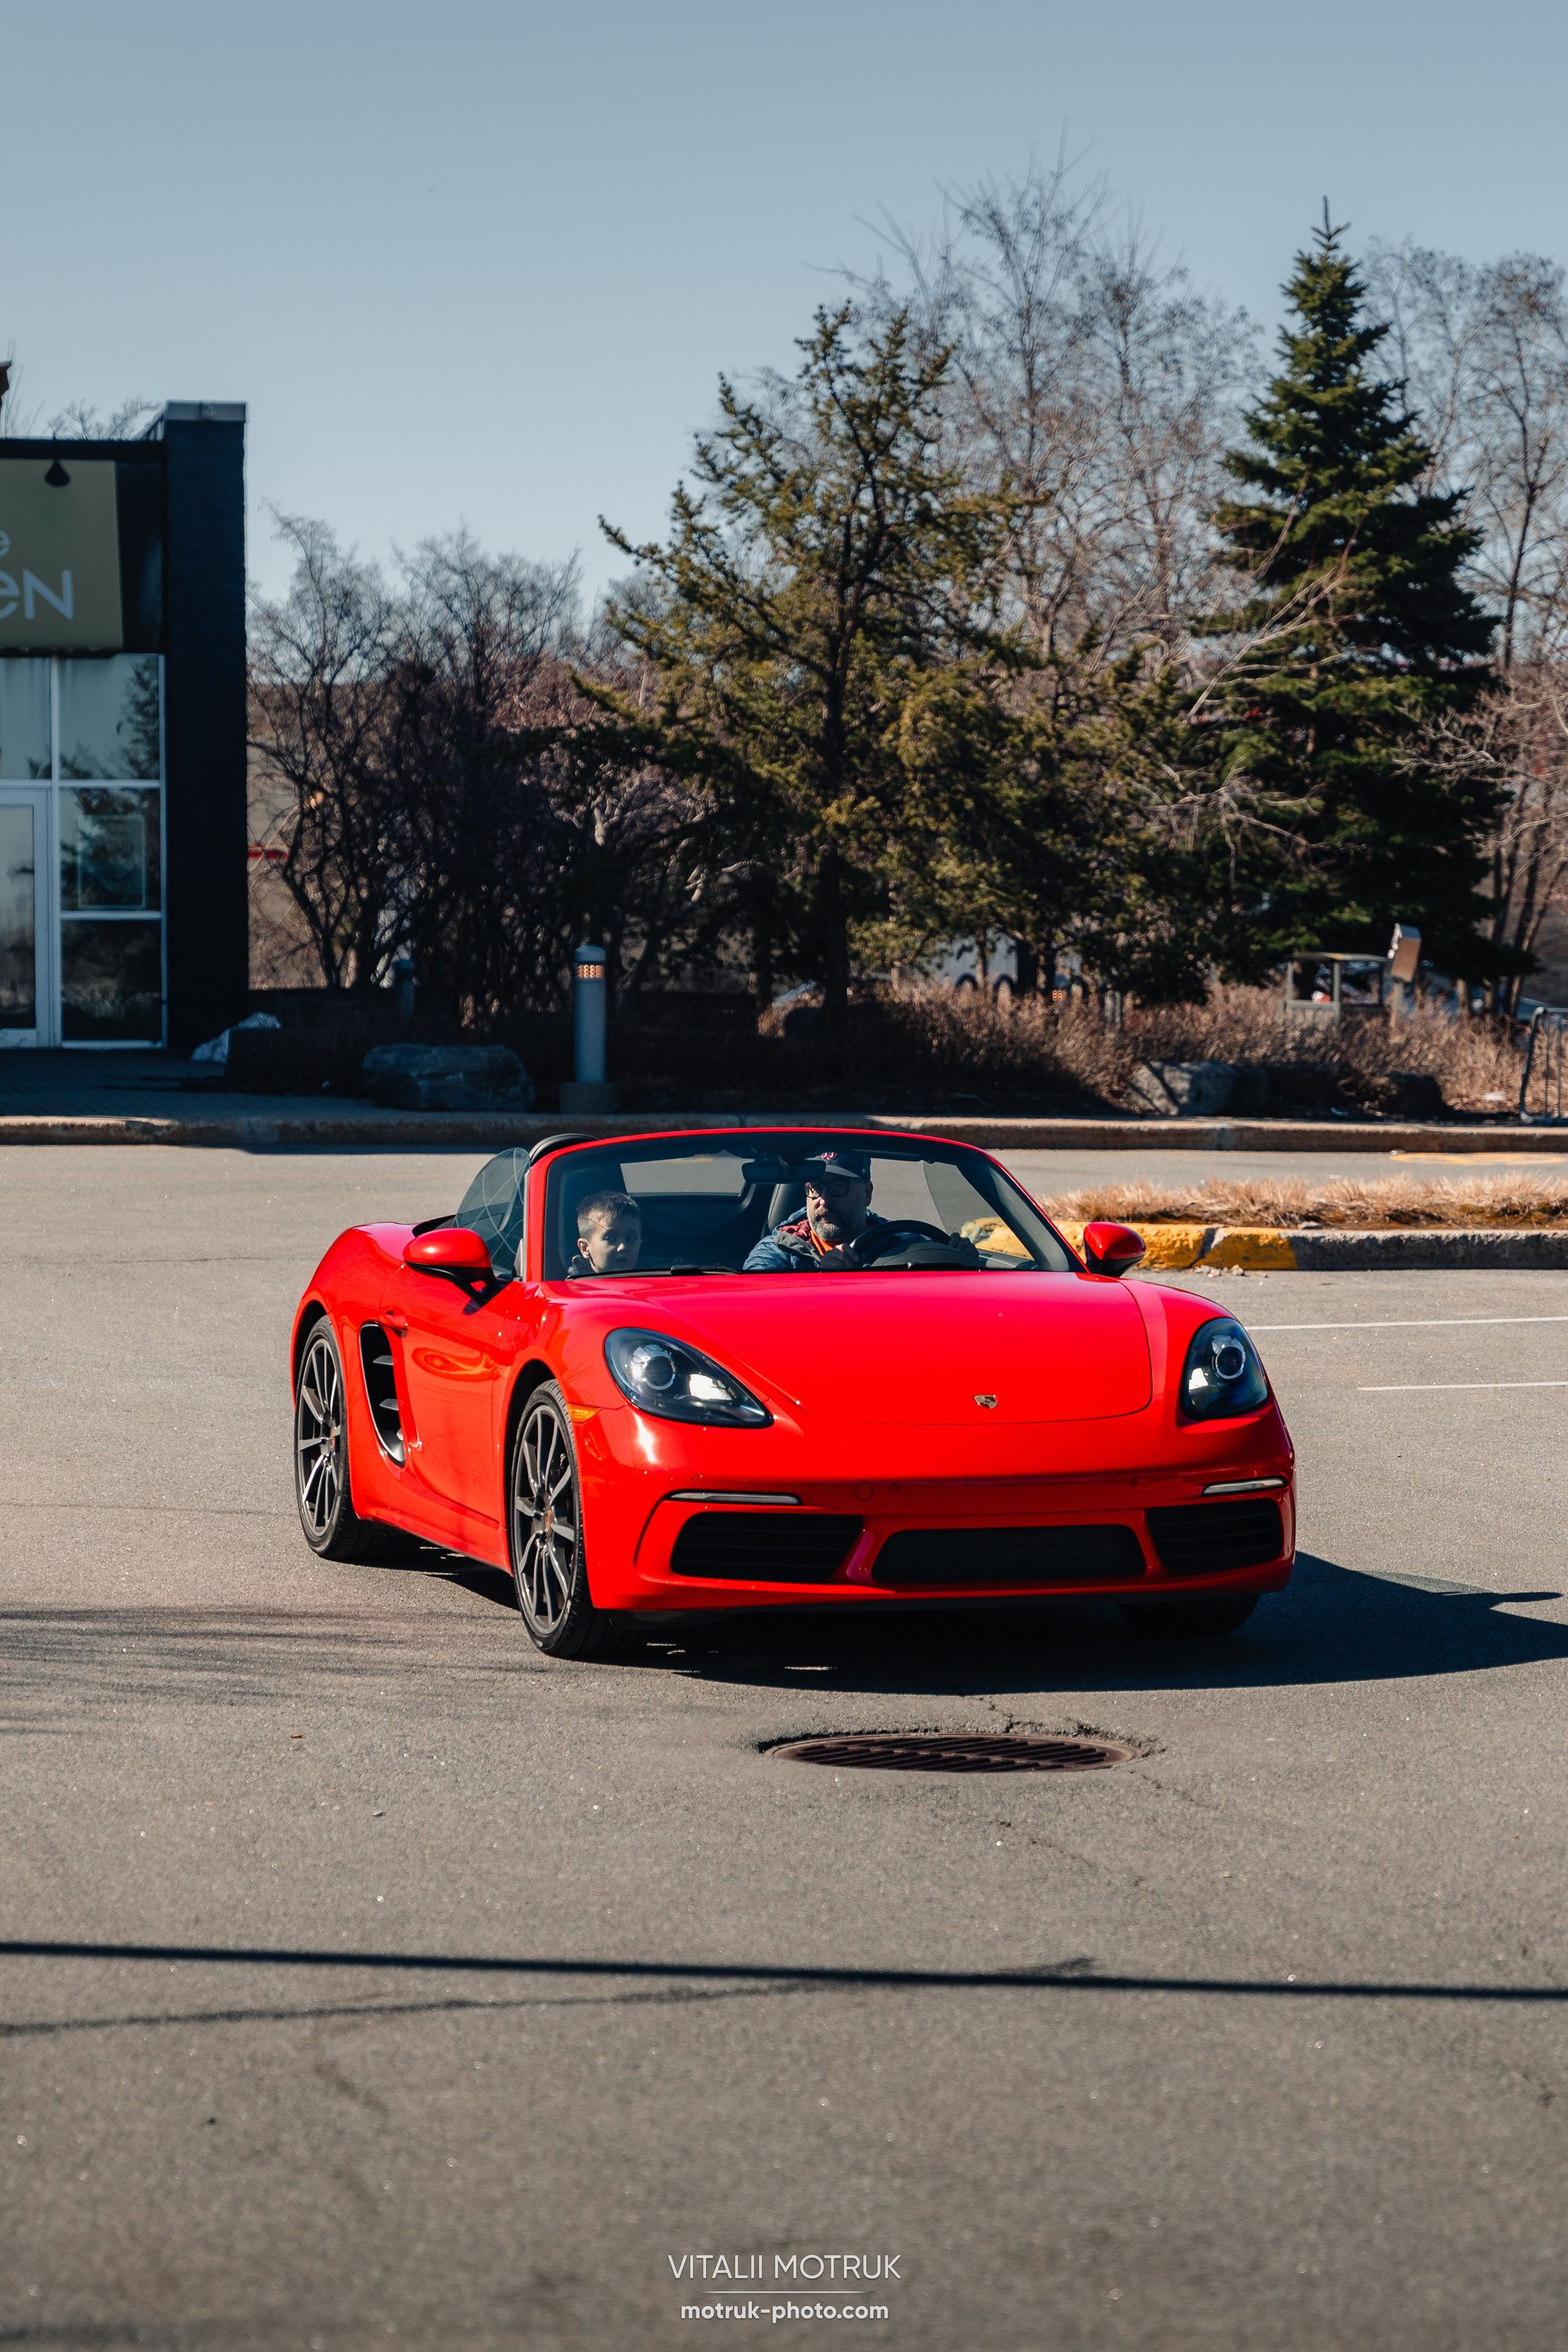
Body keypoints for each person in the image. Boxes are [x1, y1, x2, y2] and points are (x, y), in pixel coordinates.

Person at [743, 1148, 889, 1272]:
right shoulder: (778, 1249)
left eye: (838, 1186)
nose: (824, 1200)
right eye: (816, 1187)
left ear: (867, 1194)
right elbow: (757, 1297)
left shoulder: (897, 1243)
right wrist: (822, 1279)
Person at [569, 1189, 643, 1276]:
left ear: (640, 1245)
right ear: (585, 1248)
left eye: (631, 1238)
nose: (623, 1247)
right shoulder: (568, 1286)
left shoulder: (657, 1274)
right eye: (610, 1239)